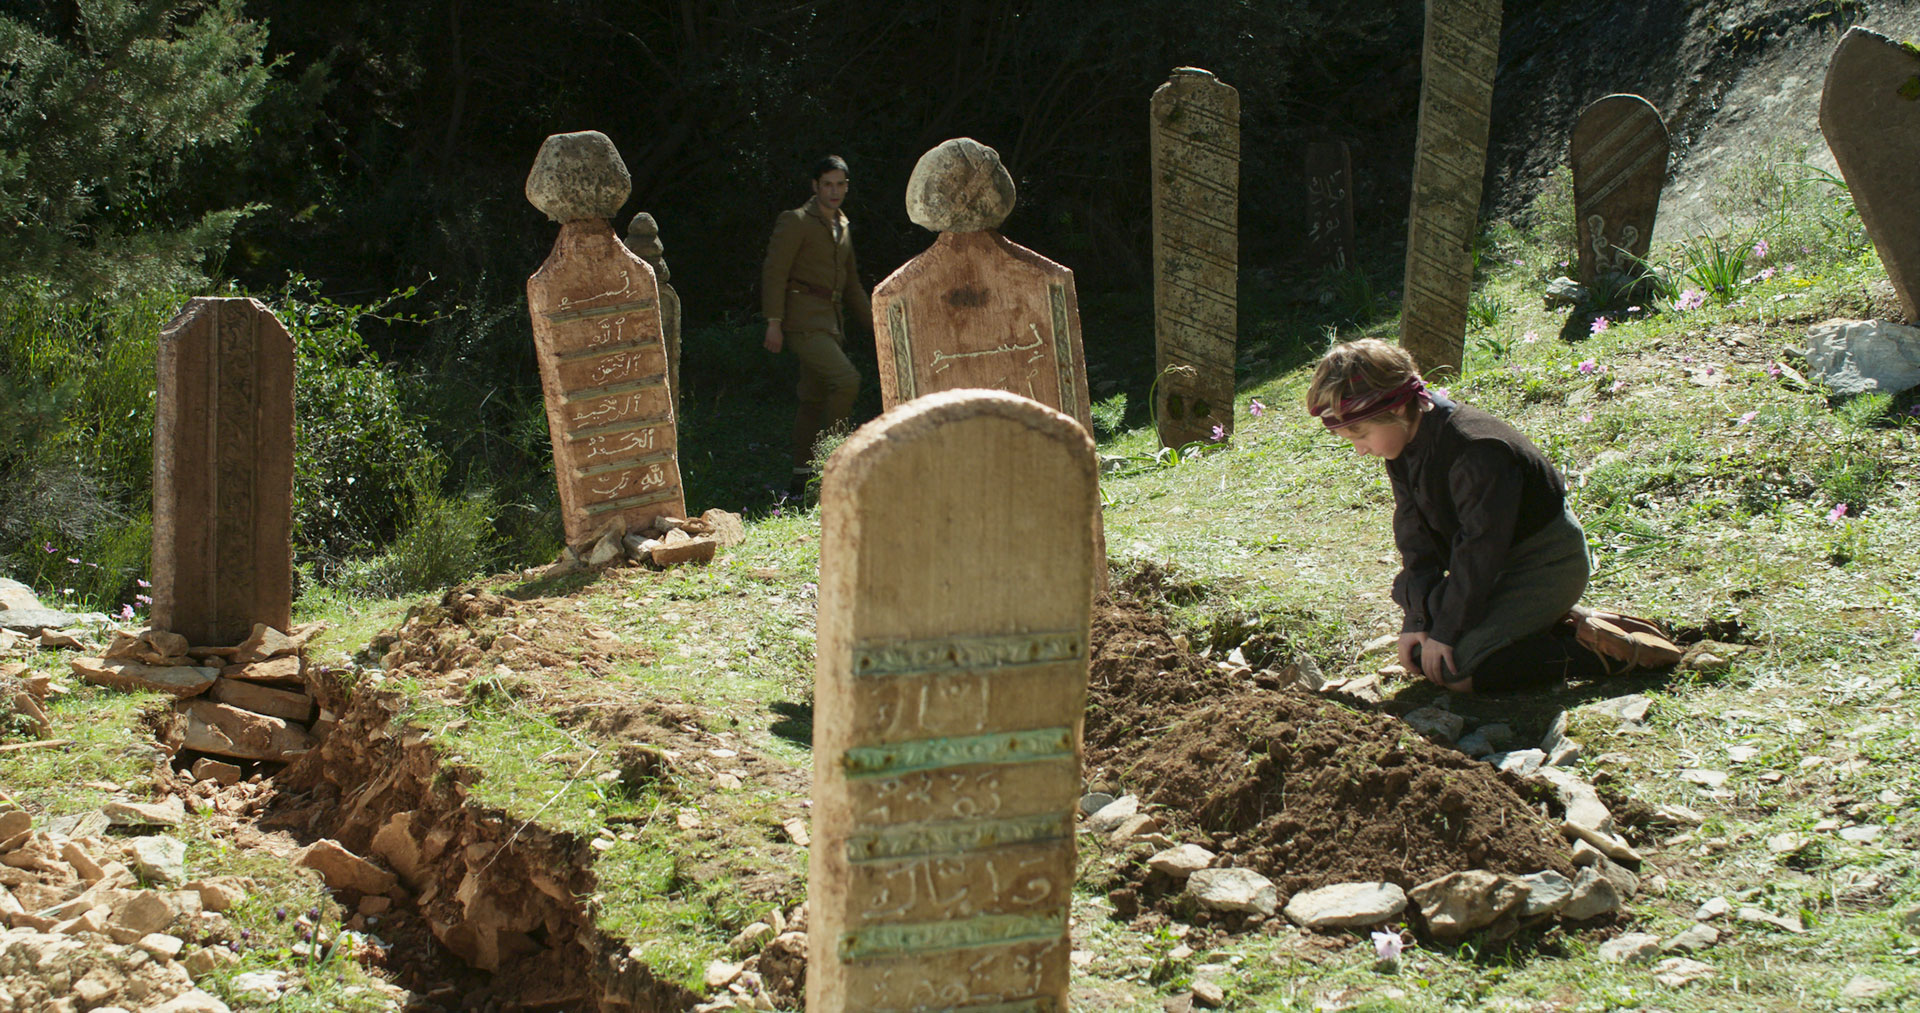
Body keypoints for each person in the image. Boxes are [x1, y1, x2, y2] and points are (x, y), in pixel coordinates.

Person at [1306, 338, 1681, 693]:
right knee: (1424, 655)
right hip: (1490, 565)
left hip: (1544, 563)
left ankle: (1597, 652)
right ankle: (1544, 624)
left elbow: (1480, 548)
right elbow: (1415, 535)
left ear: (1397, 408)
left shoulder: (1476, 448)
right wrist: (1418, 620)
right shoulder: (1403, 443)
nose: (1359, 450)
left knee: (1457, 671)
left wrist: (1446, 631)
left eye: (1362, 436)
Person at [761, 154, 872, 497]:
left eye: (840, 184)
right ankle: (834, 463)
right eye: (827, 184)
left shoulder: (844, 225)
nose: (834, 191)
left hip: (831, 322)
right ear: (815, 185)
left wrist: (877, 326)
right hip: (802, 320)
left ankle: (801, 480)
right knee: (847, 380)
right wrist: (774, 322)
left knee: (813, 397)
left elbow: (851, 284)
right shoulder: (795, 221)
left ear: (847, 187)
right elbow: (775, 271)